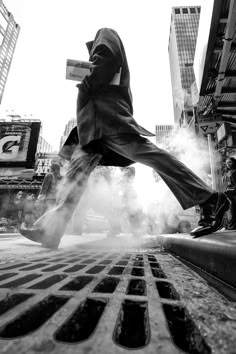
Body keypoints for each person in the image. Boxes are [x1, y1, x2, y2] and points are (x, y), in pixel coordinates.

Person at [20, 28, 229, 248]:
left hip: (107, 122)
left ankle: (210, 199)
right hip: (92, 131)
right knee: (75, 179)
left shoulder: (105, 33)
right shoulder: (100, 58)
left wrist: (86, 83)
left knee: (153, 157)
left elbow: (106, 59)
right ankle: (51, 230)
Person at [223, 157, 236, 230]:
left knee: (233, 210)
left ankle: (232, 226)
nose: (228, 164)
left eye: (230, 162)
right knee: (230, 210)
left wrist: (228, 190)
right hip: (229, 194)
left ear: (234, 162)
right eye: (227, 163)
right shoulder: (228, 172)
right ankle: (230, 225)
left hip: (234, 194)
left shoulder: (235, 172)